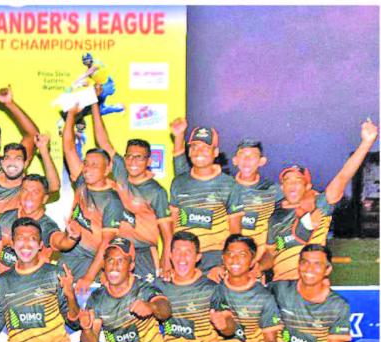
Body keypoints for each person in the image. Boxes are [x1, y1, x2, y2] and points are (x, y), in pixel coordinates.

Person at [259, 119, 378, 281]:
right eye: (287, 181)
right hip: (281, 287)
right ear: (282, 187)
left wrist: (366, 142)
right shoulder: (275, 217)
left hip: (310, 286)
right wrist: (257, 268)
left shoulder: (320, 206)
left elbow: (343, 177)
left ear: (308, 186)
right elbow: (274, 251)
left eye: (298, 181)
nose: (292, 185)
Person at [87, 102, 174, 281]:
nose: (133, 161)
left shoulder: (156, 191)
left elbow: (167, 233)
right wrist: (95, 103)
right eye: (129, 156)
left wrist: (167, 260)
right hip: (116, 250)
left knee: (145, 300)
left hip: (143, 254)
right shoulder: (120, 172)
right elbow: (102, 140)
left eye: (139, 157)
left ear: (148, 161)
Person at [61, 106, 125, 292]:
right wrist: (71, 115)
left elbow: (106, 244)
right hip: (70, 252)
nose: (87, 168)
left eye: (94, 165)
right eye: (86, 164)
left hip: (92, 260)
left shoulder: (112, 201)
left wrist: (89, 277)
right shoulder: (82, 182)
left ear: (107, 170)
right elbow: (69, 147)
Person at [169, 122, 242, 277]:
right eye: (194, 147)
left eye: (205, 147)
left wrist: (224, 265)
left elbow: (235, 234)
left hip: (215, 260)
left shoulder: (229, 185)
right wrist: (170, 262)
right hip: (184, 259)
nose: (198, 152)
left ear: (215, 152)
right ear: (188, 152)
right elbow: (173, 226)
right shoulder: (179, 182)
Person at [0, 174, 79, 281]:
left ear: (45, 198)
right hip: (4, 286)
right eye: (25, 191)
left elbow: (60, 242)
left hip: (32, 288)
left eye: (35, 192)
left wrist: (71, 237)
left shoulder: (47, 226)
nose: (28, 197)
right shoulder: (6, 217)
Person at [71, 52, 123, 116]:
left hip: (108, 85)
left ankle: (119, 107)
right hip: (100, 88)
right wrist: (79, 85)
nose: (86, 63)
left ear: (91, 59)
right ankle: (119, 108)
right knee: (100, 111)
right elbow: (87, 83)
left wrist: (78, 80)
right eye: (84, 62)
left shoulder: (97, 63)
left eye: (87, 60)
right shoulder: (87, 70)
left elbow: (90, 71)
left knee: (96, 101)